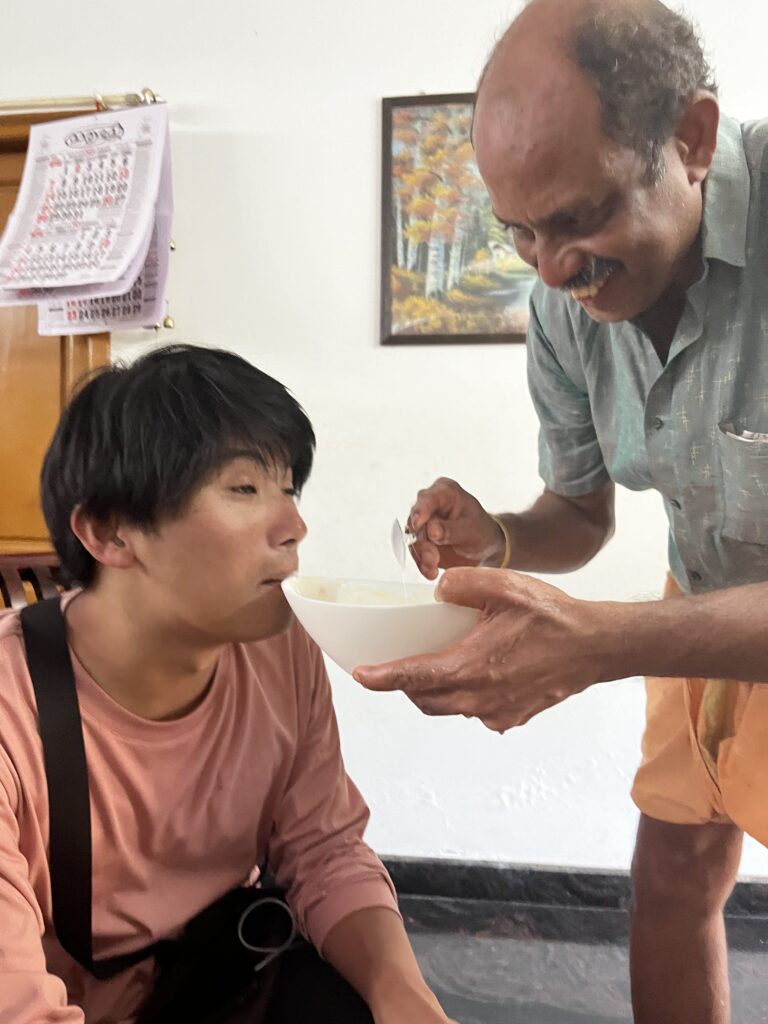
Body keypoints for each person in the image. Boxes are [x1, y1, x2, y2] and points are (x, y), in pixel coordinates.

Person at [353, 1, 768, 1021]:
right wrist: (499, 537)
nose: (548, 267)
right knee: (672, 877)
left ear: (693, 139)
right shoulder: (563, 308)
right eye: (518, 231)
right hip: (702, 595)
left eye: (579, 218)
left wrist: (603, 645)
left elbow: (609, 632)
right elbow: (578, 518)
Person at [0, 344, 453, 1024]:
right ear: (109, 532)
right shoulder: (14, 705)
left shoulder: (281, 649)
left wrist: (403, 996)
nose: (294, 527)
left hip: (213, 976)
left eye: (288, 489)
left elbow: (322, 850)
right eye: (243, 489)